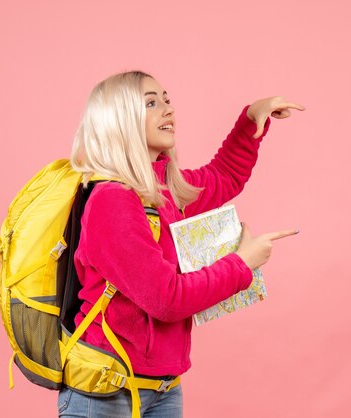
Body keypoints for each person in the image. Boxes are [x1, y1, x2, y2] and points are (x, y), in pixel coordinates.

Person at [58, 70, 304, 417]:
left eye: (167, 100)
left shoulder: (163, 190)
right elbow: (167, 299)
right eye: (151, 103)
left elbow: (223, 177)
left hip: (163, 387)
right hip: (105, 393)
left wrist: (251, 120)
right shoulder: (112, 201)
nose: (168, 109)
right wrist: (242, 264)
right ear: (119, 119)